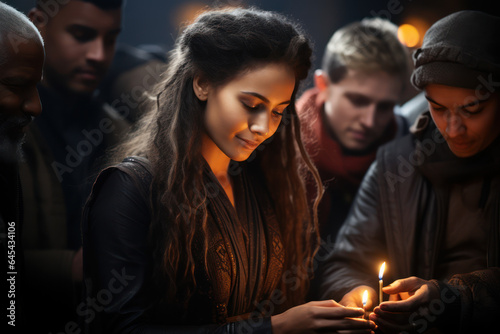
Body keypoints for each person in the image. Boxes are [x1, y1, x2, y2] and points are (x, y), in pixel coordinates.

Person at [82, 7, 376, 333]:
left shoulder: (263, 180)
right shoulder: (131, 190)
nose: (263, 127)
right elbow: (123, 328)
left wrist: (347, 293)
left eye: (278, 112)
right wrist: (273, 328)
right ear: (203, 84)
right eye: (251, 105)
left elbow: (306, 271)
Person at [320, 10, 500, 334]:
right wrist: (352, 293)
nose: (453, 128)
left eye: (472, 109)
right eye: (438, 108)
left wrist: (454, 299)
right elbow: (345, 262)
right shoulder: (395, 165)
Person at [19, 0, 127, 332]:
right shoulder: (11, 123)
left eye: (110, 40)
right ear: (38, 24)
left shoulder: (117, 130)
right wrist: (72, 267)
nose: (98, 54)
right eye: (81, 35)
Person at [296, 17, 412, 299]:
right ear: (323, 84)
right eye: (358, 101)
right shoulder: (278, 146)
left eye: (385, 106)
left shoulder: (412, 155)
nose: (370, 121)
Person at [0, 2, 44, 331]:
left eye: (35, 86)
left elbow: (12, 288)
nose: (35, 106)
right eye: (16, 86)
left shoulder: (6, 167)